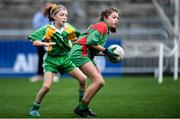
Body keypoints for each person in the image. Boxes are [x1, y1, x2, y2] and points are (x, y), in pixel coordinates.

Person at [28, 4, 87, 117]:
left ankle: (82, 106)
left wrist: (85, 39)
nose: (65, 17)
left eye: (66, 15)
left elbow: (77, 38)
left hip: (65, 59)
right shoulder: (47, 29)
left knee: (83, 79)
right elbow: (34, 42)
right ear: (54, 16)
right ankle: (35, 108)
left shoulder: (69, 28)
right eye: (62, 15)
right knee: (46, 87)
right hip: (51, 60)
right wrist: (44, 43)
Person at [70, 7, 120, 117]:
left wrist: (107, 54)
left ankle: (84, 107)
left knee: (100, 82)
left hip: (85, 53)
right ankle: (81, 108)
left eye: (118, 18)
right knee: (99, 81)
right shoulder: (102, 25)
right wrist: (106, 51)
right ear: (105, 17)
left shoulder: (105, 29)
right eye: (114, 17)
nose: (117, 20)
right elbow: (90, 42)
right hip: (80, 52)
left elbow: (94, 48)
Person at [30, 2, 59, 82]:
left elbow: (56, 25)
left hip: (52, 38)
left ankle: (54, 74)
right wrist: (44, 13)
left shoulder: (54, 16)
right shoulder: (39, 16)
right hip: (42, 38)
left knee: (53, 56)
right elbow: (36, 25)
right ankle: (39, 74)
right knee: (41, 57)